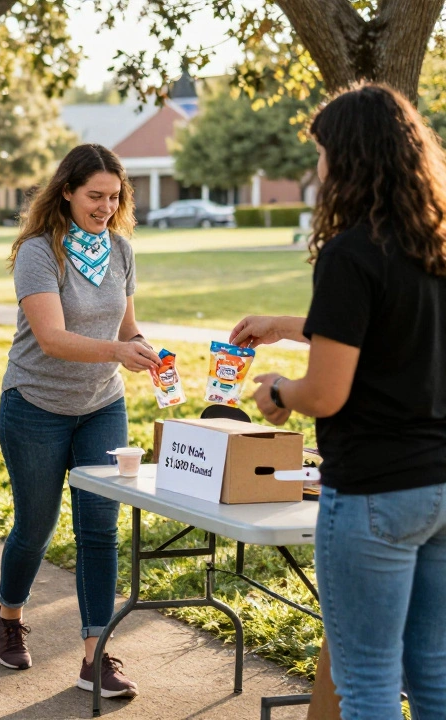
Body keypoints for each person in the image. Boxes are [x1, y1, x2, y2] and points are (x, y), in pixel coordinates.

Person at [234, 84, 446, 720]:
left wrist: (277, 392)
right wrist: (287, 322)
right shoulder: (433, 246)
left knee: (369, 682)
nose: (317, 169)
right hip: (440, 485)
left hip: (374, 493)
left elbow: (325, 392)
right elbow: (384, 331)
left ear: (350, 158)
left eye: (323, 152)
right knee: (434, 674)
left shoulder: (351, 249)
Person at [0, 143, 158, 700]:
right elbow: (52, 338)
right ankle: (9, 614)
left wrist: (147, 352)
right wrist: (116, 351)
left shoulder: (122, 251)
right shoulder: (41, 252)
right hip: (34, 405)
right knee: (34, 529)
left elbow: (128, 326)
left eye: (115, 197)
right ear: (66, 191)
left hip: (101, 407)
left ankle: (95, 655)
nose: (106, 207)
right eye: (95, 196)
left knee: (99, 531)